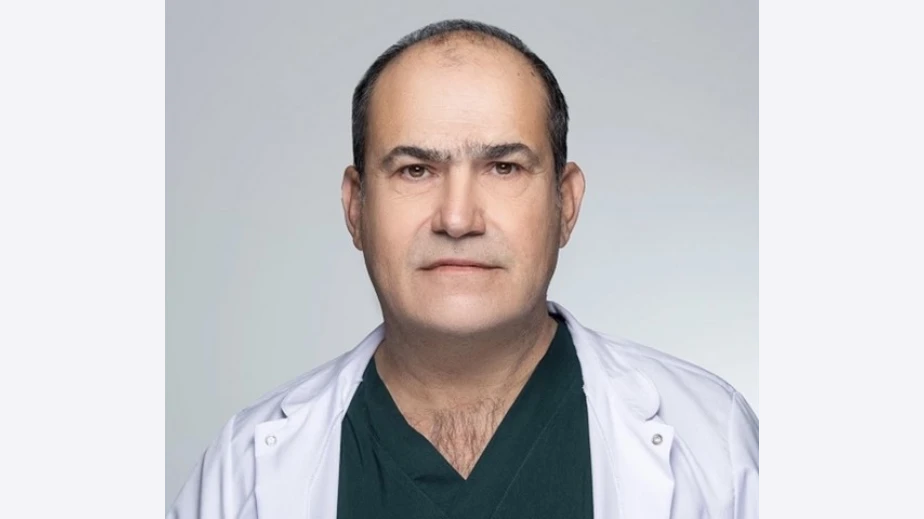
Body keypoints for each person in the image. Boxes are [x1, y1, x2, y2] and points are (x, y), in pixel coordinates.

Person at [166, 18, 759, 519]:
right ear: (355, 207)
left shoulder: (713, 441)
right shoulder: (245, 470)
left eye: (503, 167)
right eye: (415, 170)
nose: (456, 218)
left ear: (565, 204)